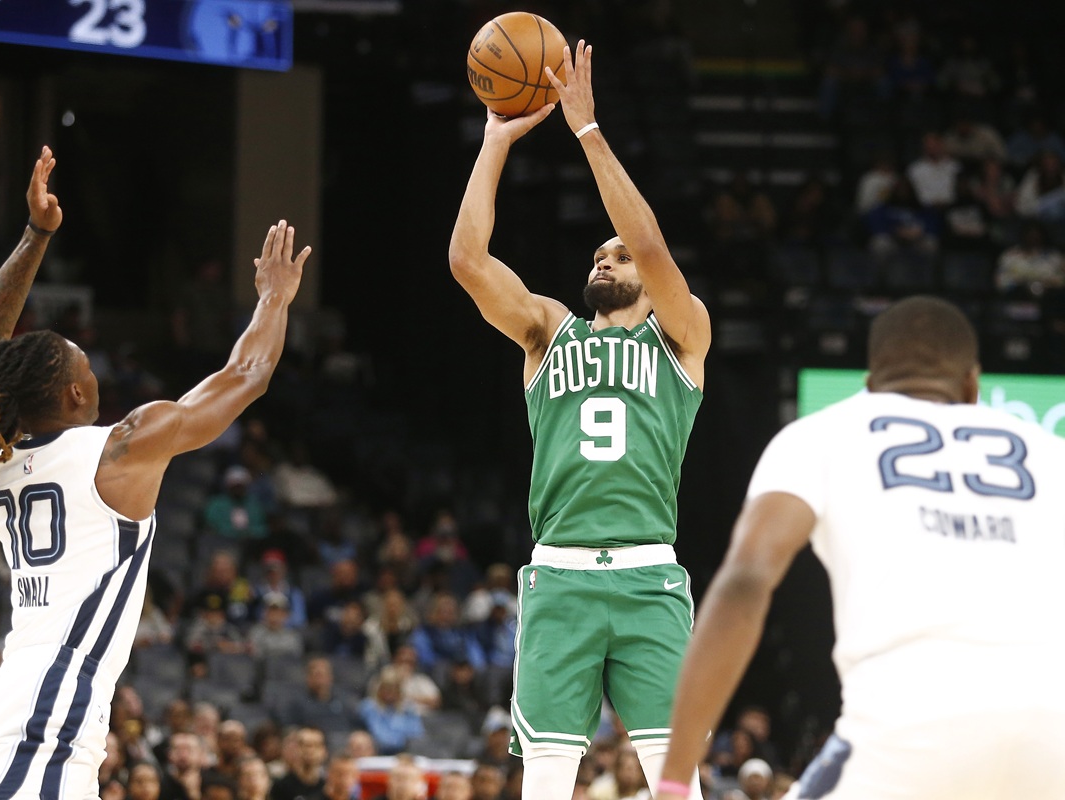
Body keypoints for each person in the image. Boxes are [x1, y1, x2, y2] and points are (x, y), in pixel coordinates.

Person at [0, 147, 310, 800]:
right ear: (76, 393)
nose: (96, 371)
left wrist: (35, 234)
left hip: (16, 691)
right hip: (57, 692)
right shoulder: (119, 449)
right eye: (87, 364)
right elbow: (245, 376)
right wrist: (273, 301)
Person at [654, 296, 1065, 800]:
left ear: (870, 383)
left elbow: (746, 580)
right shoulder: (1051, 451)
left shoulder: (819, 435)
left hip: (907, 728)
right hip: (1053, 726)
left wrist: (675, 778)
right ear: (972, 385)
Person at [449, 41, 711, 800]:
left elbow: (651, 244)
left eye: (617, 257)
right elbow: (468, 262)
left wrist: (587, 132)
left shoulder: (681, 337)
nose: (605, 260)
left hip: (648, 576)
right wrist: (494, 143)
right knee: (546, 785)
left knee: (678, 786)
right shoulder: (547, 331)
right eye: (598, 254)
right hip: (560, 575)